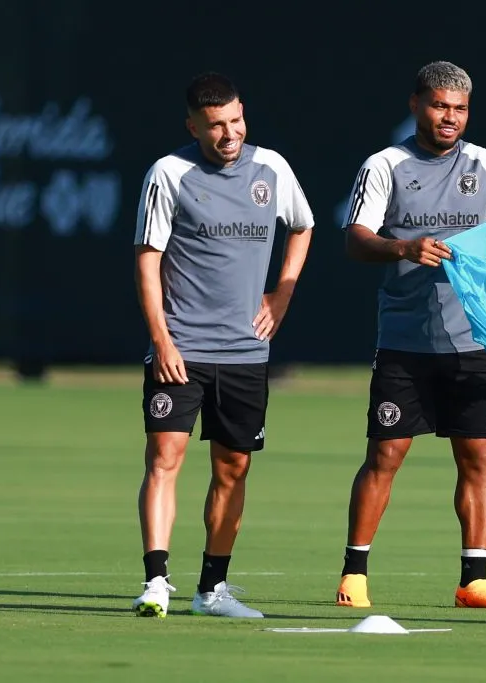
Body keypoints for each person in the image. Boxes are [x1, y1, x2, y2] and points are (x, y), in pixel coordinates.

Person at [335, 61, 486, 610]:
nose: (450, 117)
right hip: (405, 341)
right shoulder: (386, 165)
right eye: (440, 105)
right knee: (386, 455)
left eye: (460, 109)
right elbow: (356, 239)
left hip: (472, 340)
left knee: (478, 459)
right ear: (416, 103)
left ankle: (474, 580)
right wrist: (404, 246)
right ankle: (355, 573)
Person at [130, 72, 314, 618]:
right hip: (182, 345)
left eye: (235, 120)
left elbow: (302, 227)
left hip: (246, 352)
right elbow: (147, 259)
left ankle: (212, 590)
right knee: (165, 455)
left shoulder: (272, 168)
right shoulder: (169, 172)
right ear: (193, 126)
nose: (228, 133)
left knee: (233, 466)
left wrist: (281, 295)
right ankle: (156, 581)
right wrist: (160, 338)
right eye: (215, 125)